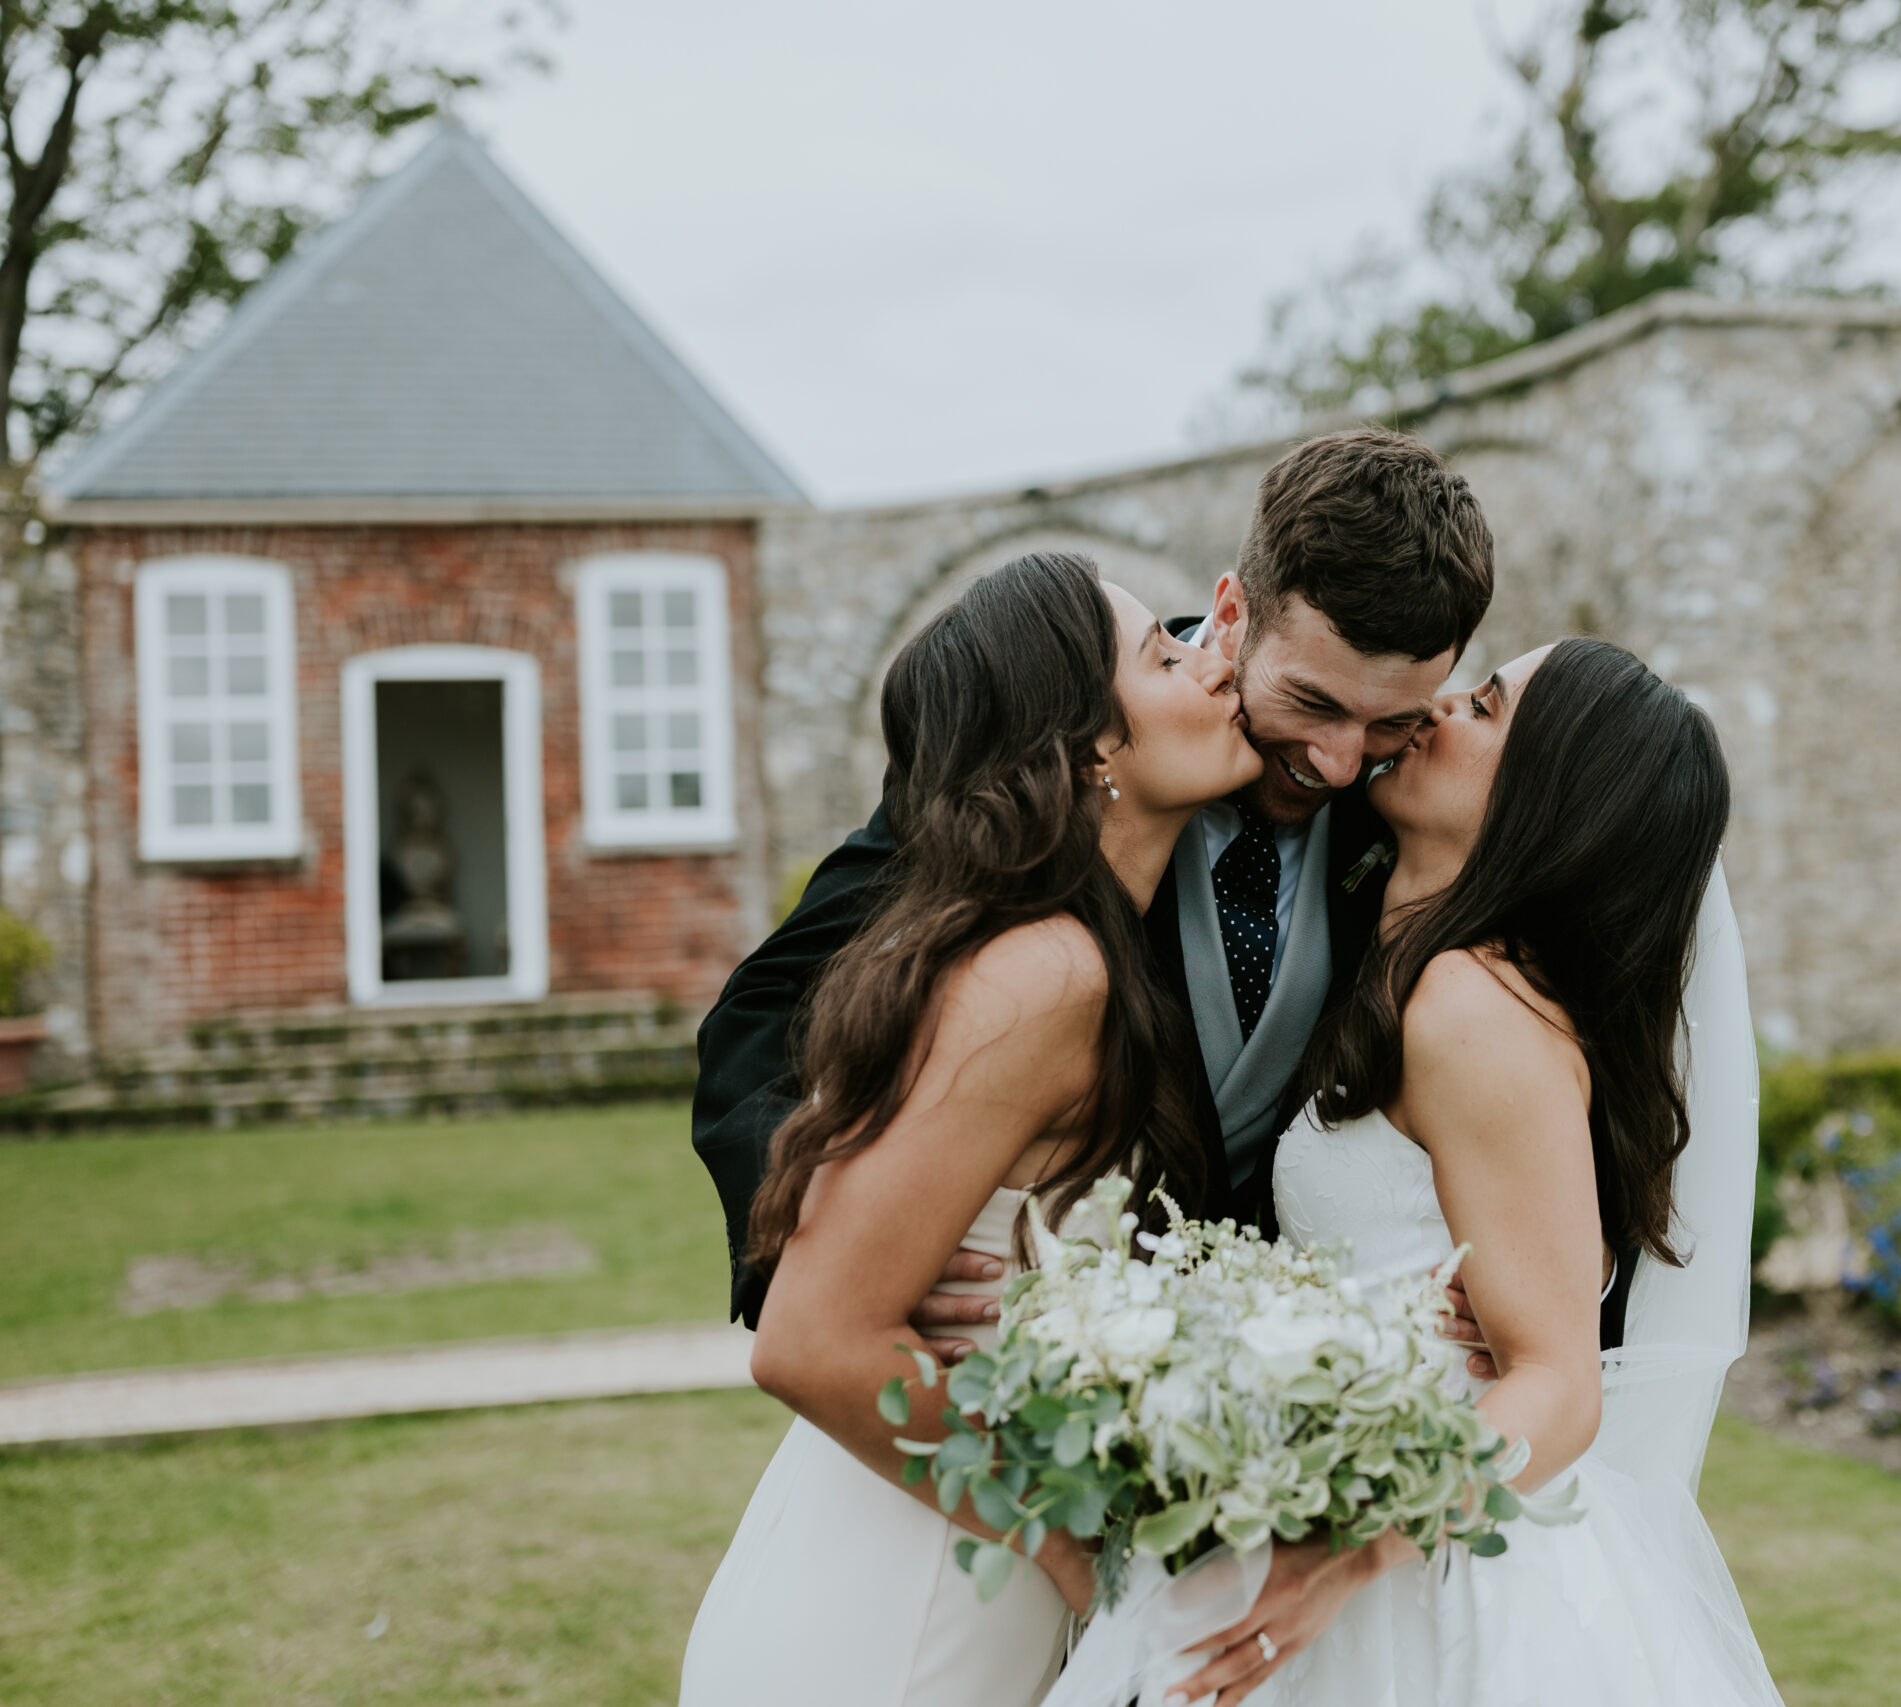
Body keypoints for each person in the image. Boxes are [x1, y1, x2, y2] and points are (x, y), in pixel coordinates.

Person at [689, 428, 1502, 1359]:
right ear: (1233, 613)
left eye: (1389, 720)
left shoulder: (1415, 806)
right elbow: (761, 1014)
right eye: (1313, 703)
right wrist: (833, 1248)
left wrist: (1535, 1252)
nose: (1339, 760)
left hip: (1259, 1377)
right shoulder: (1044, 738)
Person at [677, 552, 1262, 1705]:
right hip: (902, 1618)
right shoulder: (1045, 975)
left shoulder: (1070, 955)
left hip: (953, 1576)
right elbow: (810, 1341)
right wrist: (1066, 1543)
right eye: (1162, 653)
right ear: (1092, 745)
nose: (1209, 667)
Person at [1169, 638, 1786, 1707]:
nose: (1439, 707)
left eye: (1487, 704)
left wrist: (1348, 1555)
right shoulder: (1401, 957)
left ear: (1550, 802)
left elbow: (1556, 1384)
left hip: (1426, 1576)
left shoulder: (1470, 1007)